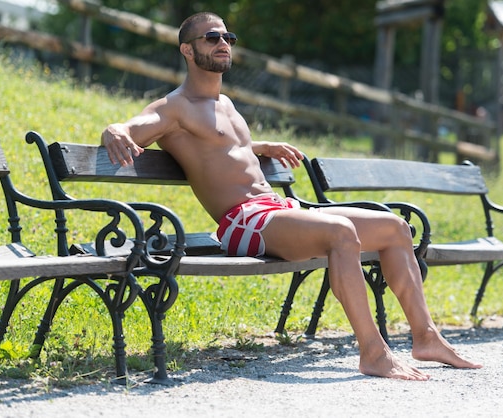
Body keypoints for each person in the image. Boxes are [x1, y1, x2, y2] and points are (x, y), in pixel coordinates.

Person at [101, 12, 482, 380]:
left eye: (227, 38)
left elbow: (224, 148)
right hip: (242, 221)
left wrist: (261, 146)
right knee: (340, 233)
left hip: (277, 210)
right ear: (187, 49)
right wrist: (114, 129)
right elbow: (136, 126)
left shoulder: (226, 105)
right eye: (212, 37)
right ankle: (374, 353)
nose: (223, 43)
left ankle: (427, 338)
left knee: (396, 227)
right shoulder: (175, 106)